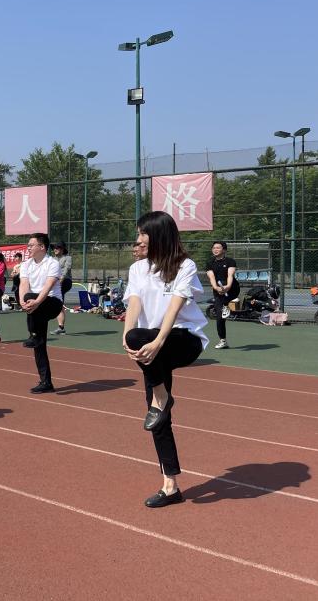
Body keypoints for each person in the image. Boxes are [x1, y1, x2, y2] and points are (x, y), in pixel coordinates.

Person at [122, 211, 208, 509]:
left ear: (158, 235)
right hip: (150, 345)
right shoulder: (138, 268)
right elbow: (134, 303)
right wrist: (126, 336)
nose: (138, 239)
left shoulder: (185, 265)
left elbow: (175, 306)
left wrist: (159, 341)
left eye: (142, 233)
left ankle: (161, 395)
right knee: (158, 418)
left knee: (156, 399)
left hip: (182, 339)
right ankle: (170, 485)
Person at [19, 234, 64, 393]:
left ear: (42, 247)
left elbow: (49, 285)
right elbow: (24, 284)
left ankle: (33, 335)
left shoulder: (52, 263)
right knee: (39, 345)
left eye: (31, 245)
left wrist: (37, 301)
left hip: (52, 303)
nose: (28, 248)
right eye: (28, 245)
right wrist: (22, 302)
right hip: (35, 305)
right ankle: (46, 382)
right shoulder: (26, 264)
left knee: (31, 298)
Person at [206, 241, 239, 350]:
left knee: (225, 298)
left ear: (224, 250)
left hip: (232, 289)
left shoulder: (230, 261)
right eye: (214, 248)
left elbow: (230, 275)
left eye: (218, 248)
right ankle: (223, 341)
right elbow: (211, 277)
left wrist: (227, 287)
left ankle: (226, 305)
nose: (215, 250)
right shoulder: (210, 262)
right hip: (218, 290)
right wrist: (216, 288)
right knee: (219, 317)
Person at [52, 242, 73, 335]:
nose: (55, 249)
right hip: (56, 282)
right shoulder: (52, 259)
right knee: (57, 303)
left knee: (59, 303)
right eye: (54, 248)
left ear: (62, 249)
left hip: (65, 281)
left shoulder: (67, 258)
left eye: (57, 248)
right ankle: (61, 327)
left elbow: (66, 269)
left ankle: (61, 327)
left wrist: (61, 279)